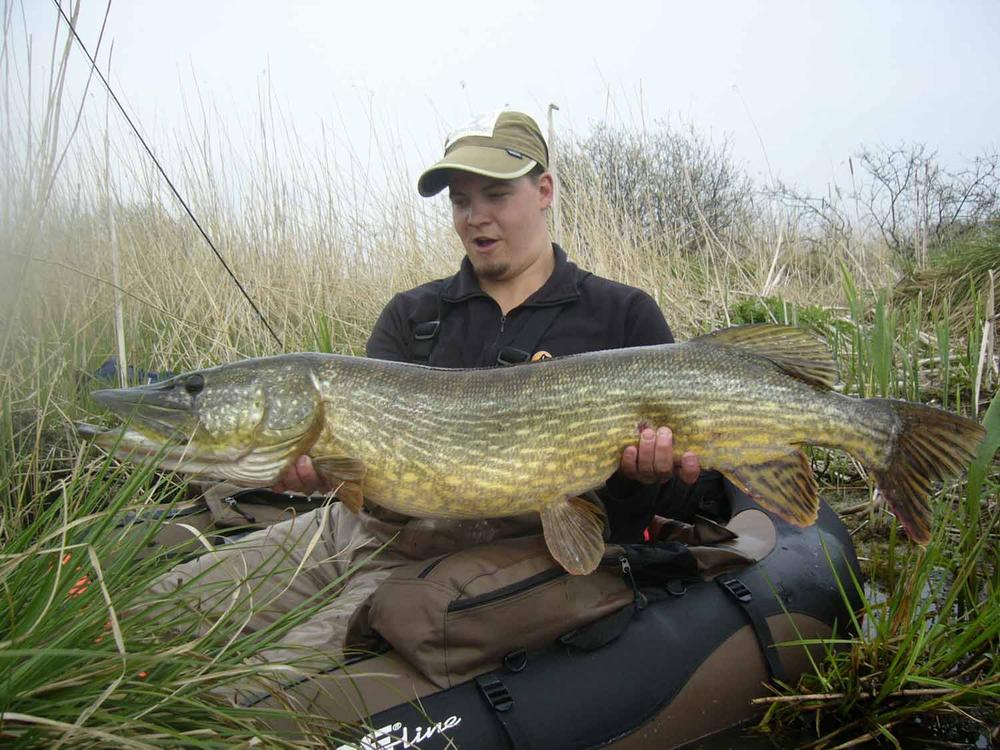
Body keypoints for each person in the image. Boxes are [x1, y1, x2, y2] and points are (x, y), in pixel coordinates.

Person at [148, 110, 706, 676]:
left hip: (488, 558)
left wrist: (642, 477)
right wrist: (326, 475)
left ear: (543, 191)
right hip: (368, 532)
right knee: (156, 614)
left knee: (265, 683)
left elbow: (670, 504)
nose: (476, 217)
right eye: (461, 200)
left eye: (495, 195)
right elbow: (370, 482)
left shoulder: (620, 314)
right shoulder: (413, 315)